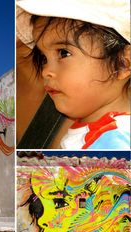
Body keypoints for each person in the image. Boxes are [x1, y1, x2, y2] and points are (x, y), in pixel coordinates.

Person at [16, 0, 130, 149]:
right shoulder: (97, 134)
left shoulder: (115, 144)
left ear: (123, 63)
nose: (45, 72)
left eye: (64, 53)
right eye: (44, 58)